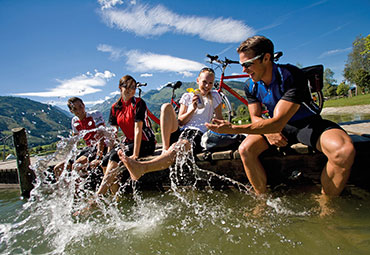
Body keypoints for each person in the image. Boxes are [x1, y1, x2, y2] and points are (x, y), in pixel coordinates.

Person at [205, 35, 356, 196]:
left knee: (344, 151)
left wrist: (233, 128)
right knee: (245, 149)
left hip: (307, 124)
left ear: (266, 58)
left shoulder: (292, 75)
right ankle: (262, 199)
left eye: (248, 64)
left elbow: (278, 121)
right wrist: (268, 131)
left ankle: (327, 205)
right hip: (276, 127)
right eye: (242, 65)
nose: (244, 70)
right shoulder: (250, 85)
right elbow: (256, 117)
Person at [116, 67, 223, 182]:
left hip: (198, 133)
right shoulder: (188, 96)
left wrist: (216, 128)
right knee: (166, 106)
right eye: (204, 82)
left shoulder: (215, 96)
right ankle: (165, 149)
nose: (207, 86)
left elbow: (220, 119)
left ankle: (143, 168)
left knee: (179, 146)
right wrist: (193, 109)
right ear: (198, 80)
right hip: (183, 131)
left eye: (210, 83)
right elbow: (181, 121)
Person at [96, 75, 156, 195]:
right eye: (126, 86)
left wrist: (135, 154)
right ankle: (115, 196)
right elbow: (113, 133)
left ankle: (98, 196)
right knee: (105, 161)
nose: (130, 90)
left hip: (145, 142)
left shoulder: (138, 103)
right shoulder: (115, 107)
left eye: (133, 87)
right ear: (120, 87)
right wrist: (108, 151)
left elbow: (138, 129)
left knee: (115, 157)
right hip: (129, 142)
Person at [53, 97, 107, 179]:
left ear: (84, 105)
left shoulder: (95, 114)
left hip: (102, 147)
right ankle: (63, 191)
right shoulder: (74, 121)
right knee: (57, 168)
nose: (79, 111)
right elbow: (74, 140)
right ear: (71, 111)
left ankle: (77, 190)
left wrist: (98, 157)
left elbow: (101, 137)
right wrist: (68, 157)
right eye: (75, 109)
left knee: (77, 165)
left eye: (80, 107)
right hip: (89, 148)